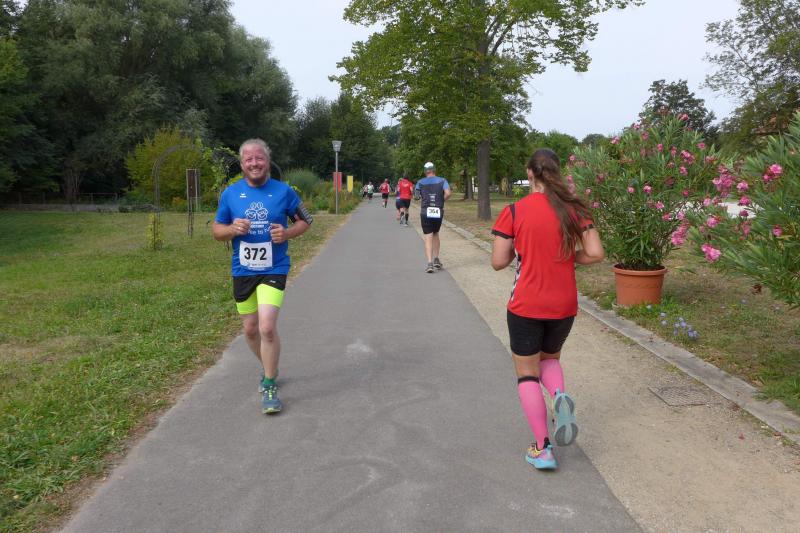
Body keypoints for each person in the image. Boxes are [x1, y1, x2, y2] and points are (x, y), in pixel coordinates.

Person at [490, 148, 604, 470]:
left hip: (526, 304)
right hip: (564, 305)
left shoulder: (514, 211)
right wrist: (567, 257)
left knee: (527, 374)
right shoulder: (574, 210)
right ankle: (558, 396)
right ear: (557, 171)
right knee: (550, 359)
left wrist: (521, 250)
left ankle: (543, 448)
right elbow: (596, 253)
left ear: (530, 173)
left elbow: (498, 261)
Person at [213, 138, 313, 415]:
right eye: (249, 159)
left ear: (268, 162)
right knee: (250, 329)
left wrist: (287, 233)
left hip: (274, 267)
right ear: (242, 164)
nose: (254, 163)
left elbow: (306, 220)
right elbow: (217, 231)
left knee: (267, 327)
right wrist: (232, 229)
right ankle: (270, 366)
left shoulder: (284, 191)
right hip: (243, 270)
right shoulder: (230, 194)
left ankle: (269, 383)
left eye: (259, 158)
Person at [415, 162, 451, 272]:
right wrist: (441, 200)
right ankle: (436, 259)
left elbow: (416, 196)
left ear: (425, 171)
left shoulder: (420, 182)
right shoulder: (442, 180)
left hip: (425, 211)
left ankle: (430, 263)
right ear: (434, 170)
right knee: (435, 233)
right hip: (438, 210)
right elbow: (448, 193)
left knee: (428, 236)